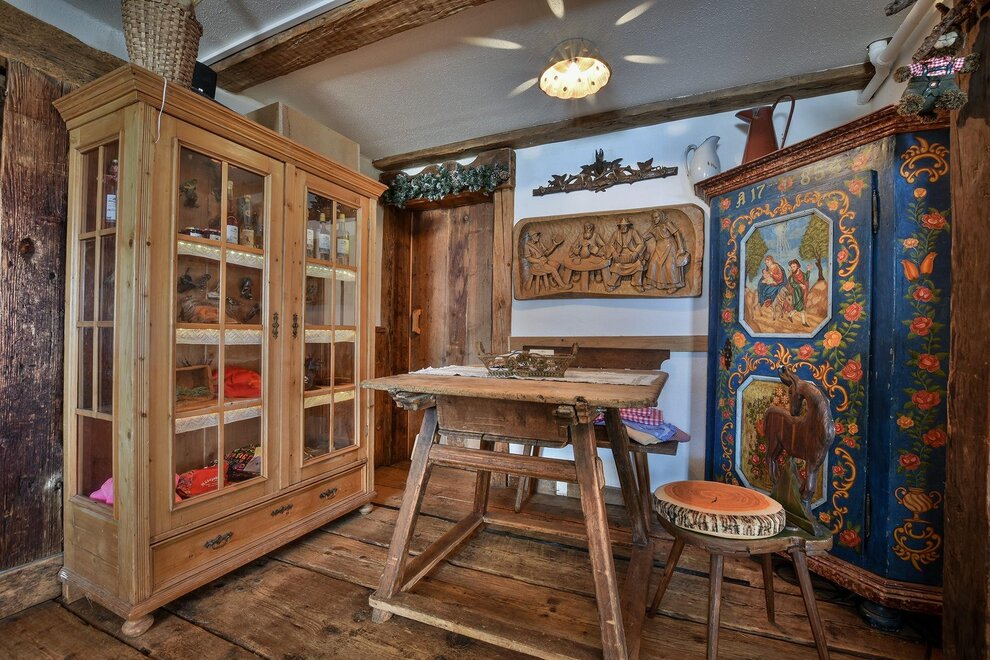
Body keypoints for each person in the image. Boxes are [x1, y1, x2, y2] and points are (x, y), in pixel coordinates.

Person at [644, 210, 689, 291]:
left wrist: (681, 248)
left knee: (669, 266)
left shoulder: (667, 223)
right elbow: (646, 236)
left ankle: (673, 285)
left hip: (669, 246)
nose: (654, 219)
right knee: (653, 263)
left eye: (656, 217)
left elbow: (677, 234)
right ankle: (652, 283)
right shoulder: (653, 227)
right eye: (653, 218)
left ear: (661, 217)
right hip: (659, 246)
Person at [604, 218, 646, 290]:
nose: (623, 227)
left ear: (628, 226)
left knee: (638, 264)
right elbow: (610, 244)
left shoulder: (633, 232)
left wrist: (635, 253)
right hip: (619, 254)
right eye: (622, 226)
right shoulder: (616, 233)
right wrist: (614, 252)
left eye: (625, 226)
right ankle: (613, 284)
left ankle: (637, 284)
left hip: (631, 253)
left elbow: (641, 244)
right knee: (617, 266)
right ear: (619, 226)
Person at [787, 258, 811, 327]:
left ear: (798, 266)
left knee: (797, 308)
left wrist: (808, 270)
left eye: (794, 266)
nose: (792, 268)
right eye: (791, 267)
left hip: (803, 293)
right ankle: (804, 322)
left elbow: (806, 277)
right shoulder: (792, 277)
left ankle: (790, 315)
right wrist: (800, 285)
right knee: (801, 308)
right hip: (797, 294)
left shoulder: (802, 274)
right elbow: (792, 284)